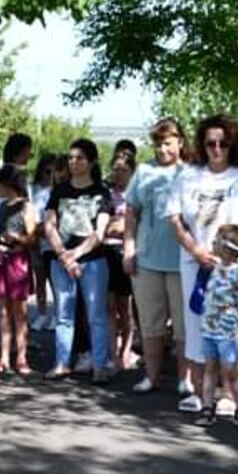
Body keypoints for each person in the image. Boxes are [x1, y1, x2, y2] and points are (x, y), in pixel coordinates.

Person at [164, 114, 238, 412]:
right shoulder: (187, 177)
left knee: (231, 325)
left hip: (234, 265)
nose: (217, 148)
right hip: (197, 262)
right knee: (198, 324)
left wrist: (234, 245)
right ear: (202, 144)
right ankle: (201, 392)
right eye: (211, 142)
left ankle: (229, 394)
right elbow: (175, 220)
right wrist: (197, 249)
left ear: (232, 144)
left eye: (223, 143)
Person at [126, 118, 191, 395]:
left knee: (183, 326)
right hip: (147, 259)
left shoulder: (191, 174)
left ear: (180, 143)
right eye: (158, 144)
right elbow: (131, 212)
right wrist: (129, 248)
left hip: (181, 261)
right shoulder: (143, 172)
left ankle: (184, 379)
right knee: (151, 324)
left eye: (168, 143)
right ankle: (150, 377)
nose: (162, 149)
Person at [43, 139, 113, 384]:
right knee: (63, 312)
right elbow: (49, 224)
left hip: (92, 260)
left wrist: (77, 254)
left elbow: (100, 231)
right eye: (71, 158)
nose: (74, 163)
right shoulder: (59, 190)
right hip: (61, 260)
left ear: (91, 162)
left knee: (96, 314)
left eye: (80, 158)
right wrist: (63, 253)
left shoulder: (102, 192)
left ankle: (99, 365)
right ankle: (62, 362)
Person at [195, 224, 238, 428]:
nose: (213, 242)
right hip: (209, 329)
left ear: (230, 248)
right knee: (210, 367)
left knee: (230, 371)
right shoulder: (214, 267)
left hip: (228, 331)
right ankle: (207, 406)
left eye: (218, 240)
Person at [0, 165, 38, 376]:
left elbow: (32, 237)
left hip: (18, 260)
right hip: (2, 258)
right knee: (2, 309)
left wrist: (16, 237)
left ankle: (21, 356)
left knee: (19, 310)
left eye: (0, 184)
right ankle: (3, 356)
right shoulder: (2, 206)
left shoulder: (26, 207)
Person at [105, 149, 137, 370]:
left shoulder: (135, 195)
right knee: (109, 306)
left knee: (124, 307)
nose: (119, 174)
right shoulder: (106, 194)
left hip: (125, 252)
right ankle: (111, 350)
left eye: (124, 170)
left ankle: (126, 350)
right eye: (115, 169)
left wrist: (122, 226)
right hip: (105, 251)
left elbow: (136, 224)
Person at [30, 153, 58, 330]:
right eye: (47, 172)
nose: (50, 176)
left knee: (56, 281)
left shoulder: (57, 192)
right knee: (40, 279)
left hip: (53, 242)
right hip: (37, 240)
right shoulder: (35, 191)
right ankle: (41, 314)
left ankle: (57, 314)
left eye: (54, 172)